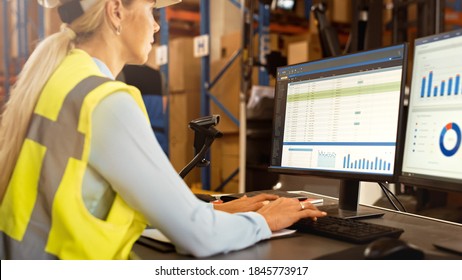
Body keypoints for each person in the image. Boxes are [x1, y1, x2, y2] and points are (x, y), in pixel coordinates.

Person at [0, 0, 326, 260]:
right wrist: (267, 221)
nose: (156, 24)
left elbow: (91, 196)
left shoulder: (62, 77)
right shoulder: (105, 100)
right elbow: (201, 237)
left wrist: (208, 209)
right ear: (116, 11)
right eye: (151, 9)